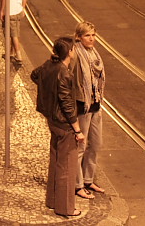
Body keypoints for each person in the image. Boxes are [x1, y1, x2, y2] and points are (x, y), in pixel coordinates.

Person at [30, 37, 84, 218]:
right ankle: (66, 208)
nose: (75, 52)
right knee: (66, 166)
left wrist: (48, 89)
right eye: (73, 49)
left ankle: (52, 200)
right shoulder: (64, 73)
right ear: (69, 52)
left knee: (55, 161)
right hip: (64, 125)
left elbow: (34, 75)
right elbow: (67, 106)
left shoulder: (48, 66)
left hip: (52, 121)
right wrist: (77, 130)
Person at [71, 21, 106, 200]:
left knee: (96, 144)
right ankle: (77, 185)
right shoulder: (75, 54)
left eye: (93, 35)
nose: (91, 38)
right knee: (80, 147)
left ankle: (87, 179)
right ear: (78, 37)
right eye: (87, 35)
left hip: (95, 104)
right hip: (82, 106)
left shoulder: (94, 53)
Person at [0, 0, 28, 65]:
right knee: (14, 32)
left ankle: (19, 56)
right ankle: (11, 53)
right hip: (18, 11)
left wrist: (2, 11)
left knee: (13, 35)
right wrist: (23, 7)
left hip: (9, 12)